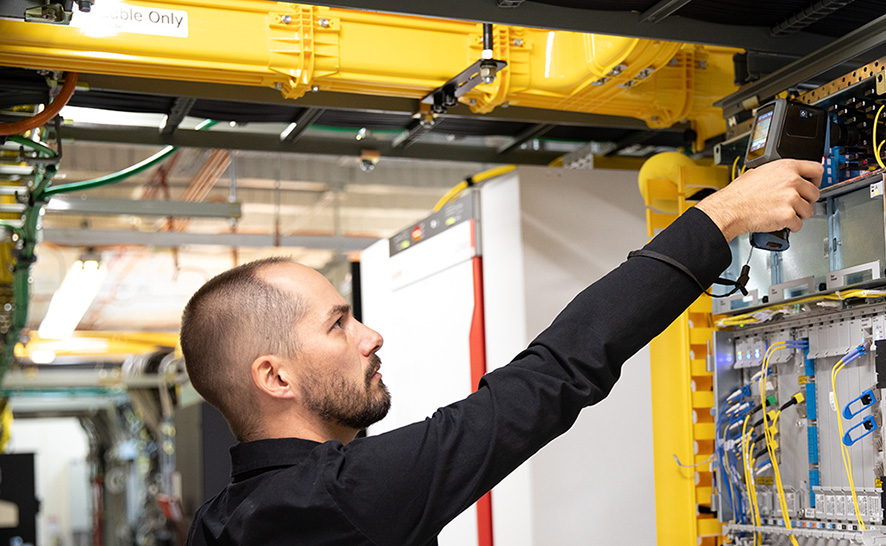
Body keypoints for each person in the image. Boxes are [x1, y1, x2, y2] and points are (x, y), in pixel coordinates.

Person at [179, 159, 823, 545]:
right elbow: (555, 375)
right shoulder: (337, 498)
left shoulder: (218, 524)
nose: (370, 337)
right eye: (339, 325)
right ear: (274, 376)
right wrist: (723, 216)